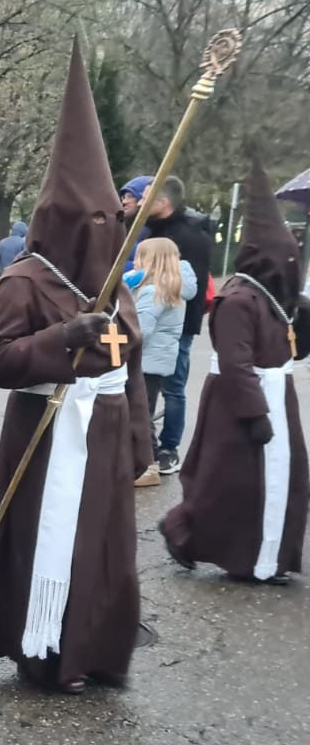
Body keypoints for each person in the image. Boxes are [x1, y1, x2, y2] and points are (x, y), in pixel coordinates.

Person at [0, 40, 151, 695]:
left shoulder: (112, 282)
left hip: (104, 431)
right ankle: (45, 650)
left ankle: (100, 649)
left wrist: (139, 440)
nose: (102, 233)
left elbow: (127, 367)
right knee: (55, 542)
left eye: (111, 222)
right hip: (46, 437)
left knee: (105, 548)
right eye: (90, 222)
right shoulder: (23, 281)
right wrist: (63, 338)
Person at [160, 161, 307, 584]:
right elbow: (238, 362)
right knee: (227, 483)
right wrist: (254, 414)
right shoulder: (238, 300)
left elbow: (292, 345)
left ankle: (268, 554)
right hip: (239, 405)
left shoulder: (273, 298)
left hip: (276, 396)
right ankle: (183, 532)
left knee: (282, 479)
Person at [139, 175, 214, 477]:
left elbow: (188, 286)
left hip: (176, 325)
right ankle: (148, 444)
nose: (141, 203)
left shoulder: (189, 235)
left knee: (173, 388)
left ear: (163, 202)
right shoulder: (155, 228)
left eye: (146, 198)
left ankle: (169, 448)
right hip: (157, 318)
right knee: (148, 388)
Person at [126, 237, 197, 486]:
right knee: (143, 411)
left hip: (144, 362)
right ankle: (144, 461)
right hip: (157, 361)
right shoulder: (171, 289)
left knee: (140, 413)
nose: (135, 261)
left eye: (139, 256)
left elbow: (139, 330)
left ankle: (148, 464)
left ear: (151, 261)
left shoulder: (151, 291)